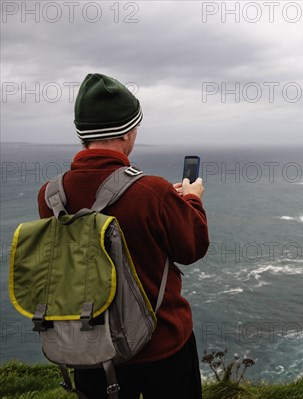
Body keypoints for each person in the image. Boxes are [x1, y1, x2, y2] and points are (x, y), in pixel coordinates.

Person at [37, 73, 210, 398]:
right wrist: (191, 199)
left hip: (91, 349)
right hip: (162, 345)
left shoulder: (50, 196)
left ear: (82, 134)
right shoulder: (151, 191)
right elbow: (193, 246)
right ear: (127, 132)